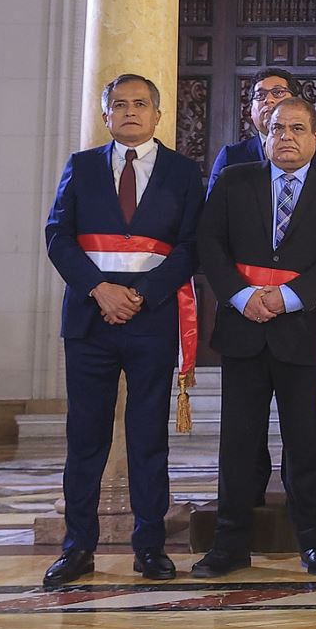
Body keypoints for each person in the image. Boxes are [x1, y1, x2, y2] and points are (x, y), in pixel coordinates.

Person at [41, 74, 204, 587]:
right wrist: (100, 290)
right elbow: (57, 235)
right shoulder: (82, 166)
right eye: (119, 104)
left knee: (147, 437)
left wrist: (144, 294)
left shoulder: (182, 171)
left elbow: (191, 245)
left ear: (158, 115)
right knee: (85, 438)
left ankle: (150, 546)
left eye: (140, 104)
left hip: (151, 321)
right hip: (91, 321)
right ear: (105, 114)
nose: (130, 112)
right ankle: (77, 547)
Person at [193, 95, 316, 578]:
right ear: (264, 136)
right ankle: (229, 544)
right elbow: (210, 244)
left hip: (302, 333)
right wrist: (244, 298)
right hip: (243, 328)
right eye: (277, 129)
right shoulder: (232, 182)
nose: (285, 137)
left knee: (306, 444)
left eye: (297, 129)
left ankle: (314, 545)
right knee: (238, 444)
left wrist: (285, 299)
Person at [207, 68, 316, 190]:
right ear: (250, 109)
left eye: (278, 92)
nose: (268, 100)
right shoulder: (231, 156)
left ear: (295, 102)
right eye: (260, 95)